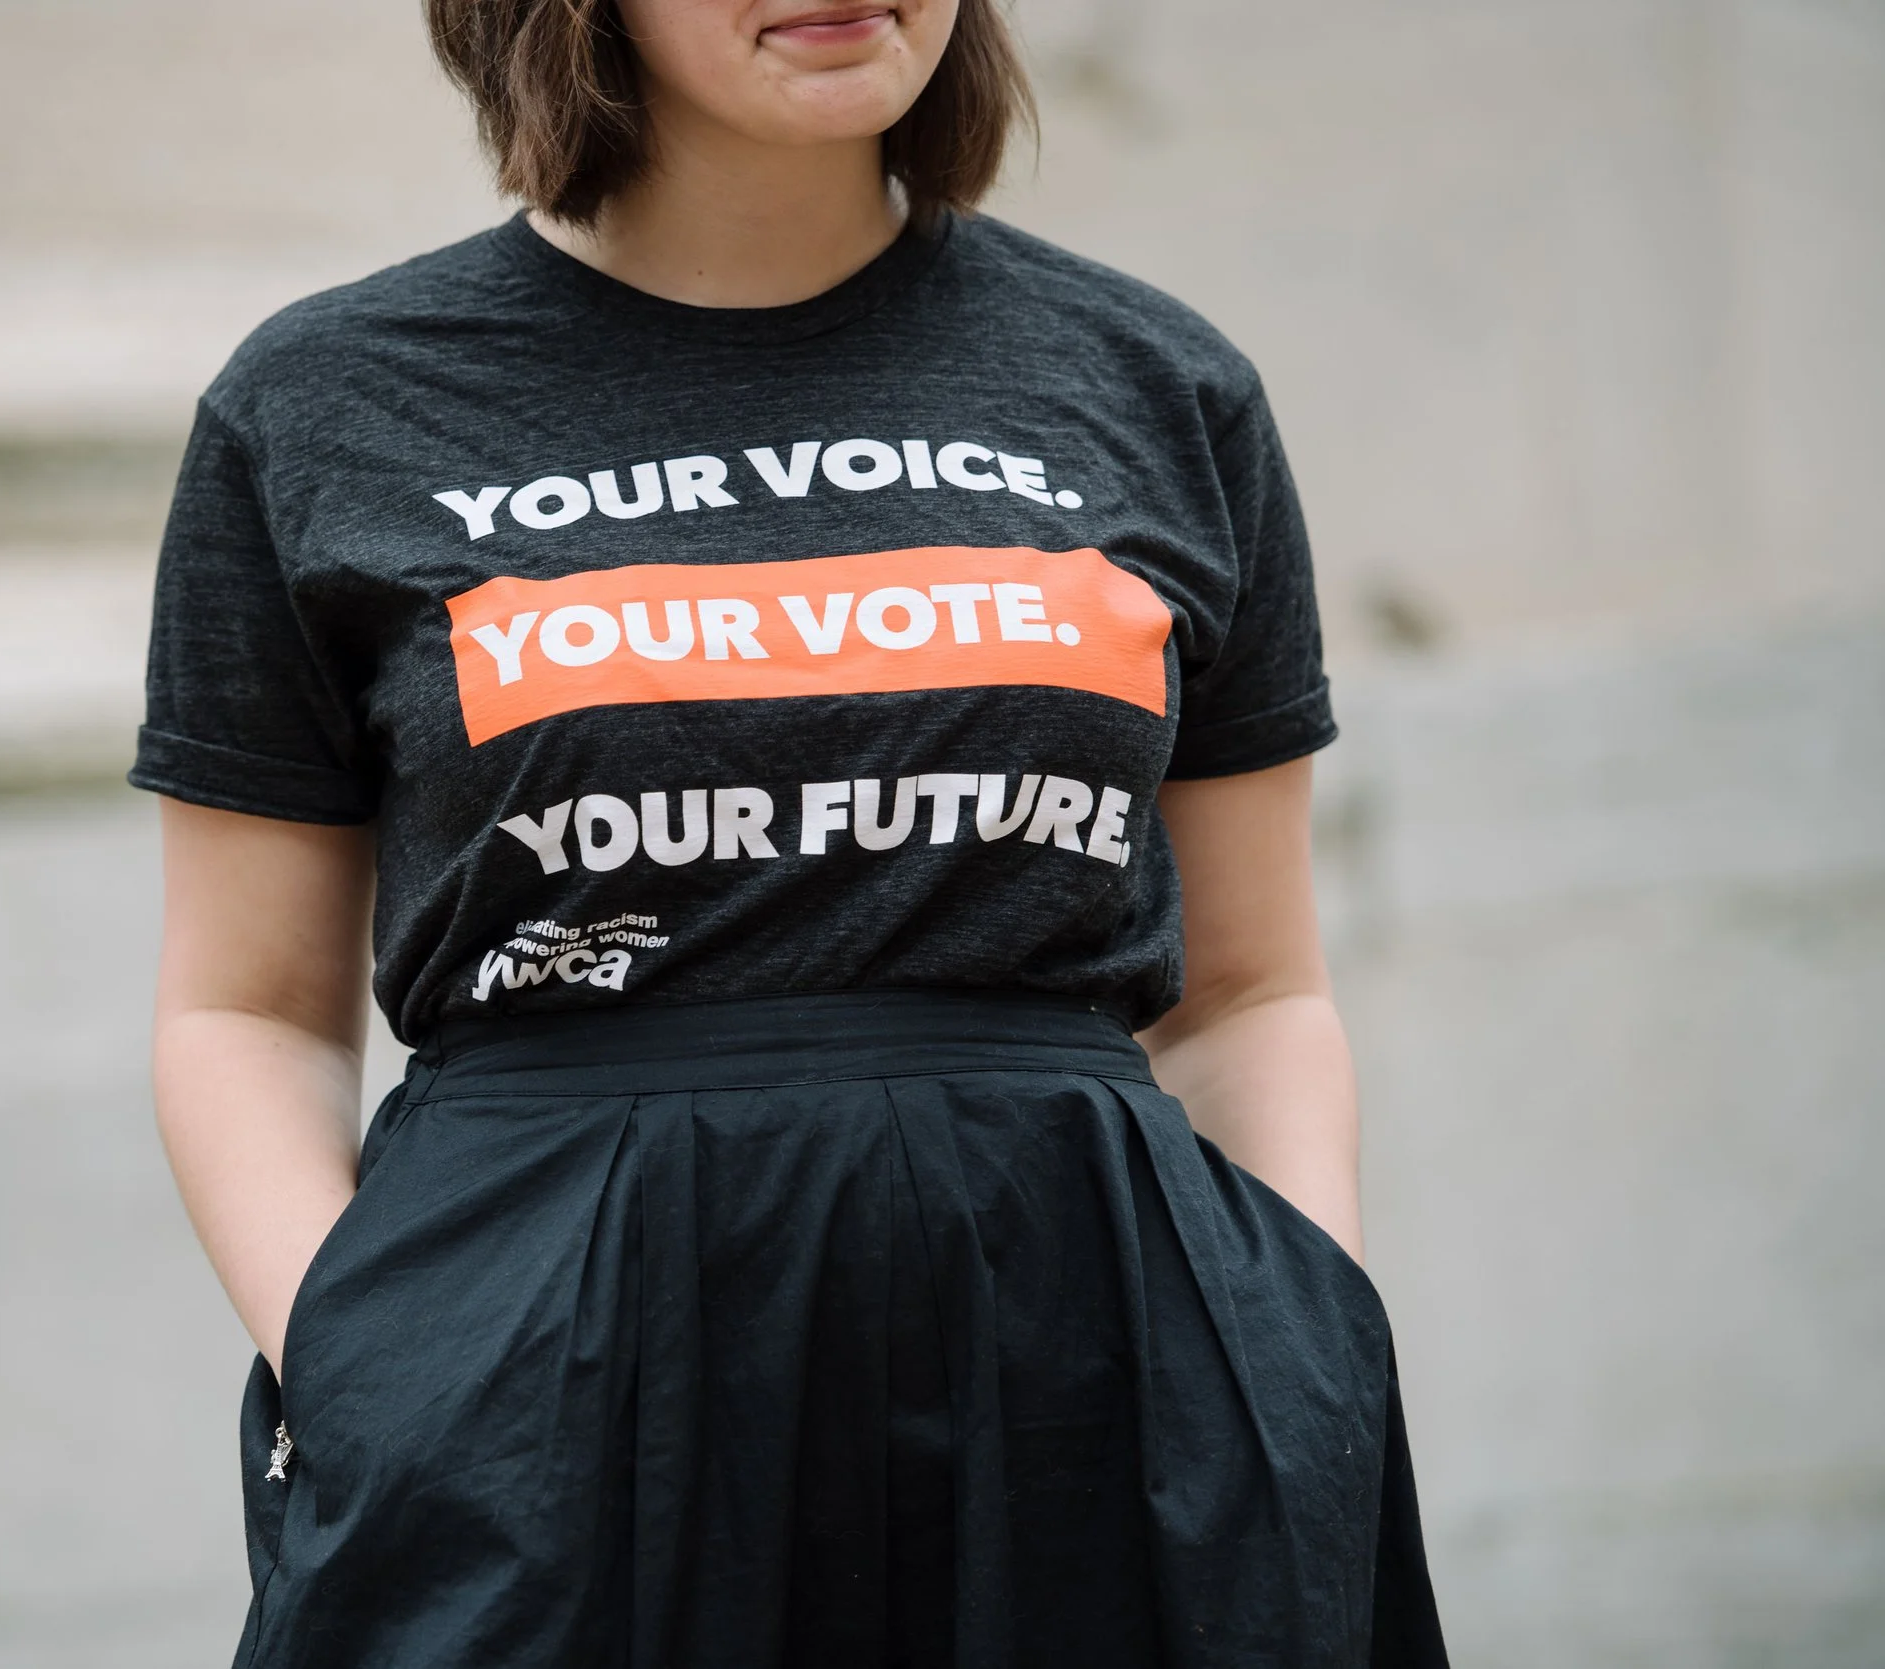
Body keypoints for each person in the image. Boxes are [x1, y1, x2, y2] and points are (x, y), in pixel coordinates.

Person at [132, 1, 1445, 1663]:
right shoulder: (327, 402)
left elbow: (1252, 988)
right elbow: (241, 1011)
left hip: (1091, 1356)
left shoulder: (1154, 381)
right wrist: (375, 1371)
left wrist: (1292, 1344)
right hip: (549, 1377)